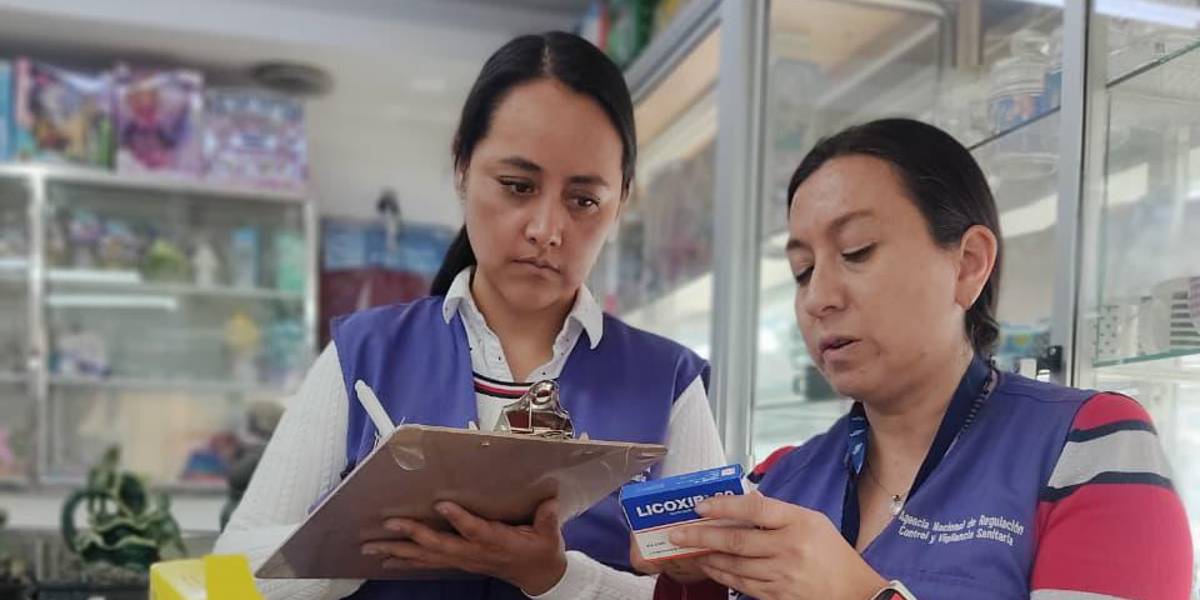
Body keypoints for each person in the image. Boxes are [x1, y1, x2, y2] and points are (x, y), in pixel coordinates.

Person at [215, 31, 726, 600]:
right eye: (517, 186)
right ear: (462, 165)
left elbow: (707, 590)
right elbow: (230, 573)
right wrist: (369, 536)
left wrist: (557, 578)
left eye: (583, 201)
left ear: (621, 199)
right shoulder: (364, 355)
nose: (546, 230)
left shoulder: (666, 385)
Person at [648, 119, 1193, 600]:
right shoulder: (778, 481)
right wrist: (693, 577)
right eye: (802, 271)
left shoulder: (1089, 448)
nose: (818, 297)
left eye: (857, 251)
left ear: (968, 264)